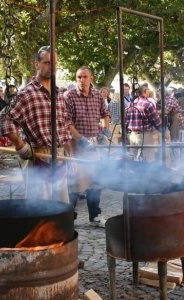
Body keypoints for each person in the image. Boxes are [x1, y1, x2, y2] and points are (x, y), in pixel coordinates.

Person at [0, 45, 73, 202]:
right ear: (36, 64)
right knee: (39, 209)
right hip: (38, 157)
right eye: (47, 62)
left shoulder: (58, 95)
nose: (52, 67)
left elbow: (64, 127)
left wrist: (69, 154)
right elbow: (3, 119)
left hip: (59, 158)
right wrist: (20, 145)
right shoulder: (26, 94)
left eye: (55, 63)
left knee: (62, 209)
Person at [64, 66, 111, 227]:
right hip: (75, 144)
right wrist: (82, 140)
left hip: (94, 143)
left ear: (91, 78)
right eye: (79, 77)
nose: (81, 80)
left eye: (85, 77)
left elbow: (105, 113)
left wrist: (105, 130)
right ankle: (68, 216)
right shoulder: (68, 96)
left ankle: (95, 215)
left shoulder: (97, 95)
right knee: (76, 180)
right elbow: (67, 123)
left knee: (95, 180)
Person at [126, 85, 163, 162]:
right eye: (148, 90)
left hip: (133, 135)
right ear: (145, 91)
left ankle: (134, 173)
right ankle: (147, 174)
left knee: (134, 159)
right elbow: (157, 120)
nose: (149, 92)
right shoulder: (148, 104)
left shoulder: (132, 103)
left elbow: (127, 118)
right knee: (148, 160)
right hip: (145, 135)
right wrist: (162, 130)